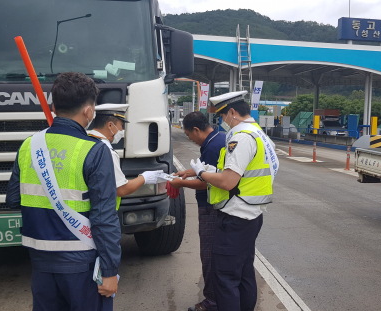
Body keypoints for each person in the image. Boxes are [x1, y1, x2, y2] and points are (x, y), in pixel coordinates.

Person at [6, 72, 126, 311]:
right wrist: (111, 271)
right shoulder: (95, 150)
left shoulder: (29, 145)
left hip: (40, 262)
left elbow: (13, 200)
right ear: (89, 112)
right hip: (82, 264)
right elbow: (104, 216)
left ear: (53, 106)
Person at [179, 91, 279, 311]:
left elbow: (228, 181)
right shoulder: (260, 135)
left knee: (225, 279)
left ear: (233, 112)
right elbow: (244, 174)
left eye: (224, 115)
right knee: (244, 275)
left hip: (235, 217)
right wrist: (204, 170)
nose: (223, 121)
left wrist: (202, 174)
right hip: (252, 215)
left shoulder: (240, 137)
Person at [171, 112, 226, 311]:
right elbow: (209, 169)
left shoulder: (211, 146)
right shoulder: (218, 138)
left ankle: (212, 302)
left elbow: (207, 183)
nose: (190, 140)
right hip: (219, 206)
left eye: (188, 135)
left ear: (196, 130)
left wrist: (181, 183)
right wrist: (189, 172)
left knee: (209, 254)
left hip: (211, 207)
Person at [87, 103, 161, 201]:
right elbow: (121, 189)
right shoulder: (106, 152)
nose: (121, 130)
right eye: (121, 125)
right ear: (110, 125)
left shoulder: (86, 142)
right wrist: (145, 177)